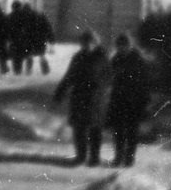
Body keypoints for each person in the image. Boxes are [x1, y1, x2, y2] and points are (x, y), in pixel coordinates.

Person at [53, 30, 112, 166]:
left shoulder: (102, 58)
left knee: (94, 129)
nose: (86, 45)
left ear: (96, 43)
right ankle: (81, 156)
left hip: (96, 99)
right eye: (84, 43)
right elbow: (69, 76)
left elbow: (109, 77)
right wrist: (59, 93)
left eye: (90, 43)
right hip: (79, 97)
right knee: (79, 129)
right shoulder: (78, 57)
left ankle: (94, 157)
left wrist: (99, 86)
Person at [106, 32, 153, 168]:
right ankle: (118, 156)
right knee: (118, 131)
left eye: (124, 45)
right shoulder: (115, 60)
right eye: (119, 46)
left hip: (135, 101)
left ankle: (129, 158)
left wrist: (145, 100)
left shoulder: (139, 60)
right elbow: (111, 78)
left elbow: (145, 82)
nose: (122, 48)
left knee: (132, 131)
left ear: (129, 45)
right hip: (118, 100)